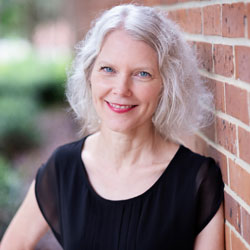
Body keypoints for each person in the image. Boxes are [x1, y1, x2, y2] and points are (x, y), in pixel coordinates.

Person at [0, 4, 224, 250]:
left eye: (142, 74)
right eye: (108, 69)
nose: (121, 89)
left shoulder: (196, 181)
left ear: (166, 85)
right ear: (90, 75)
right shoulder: (64, 168)